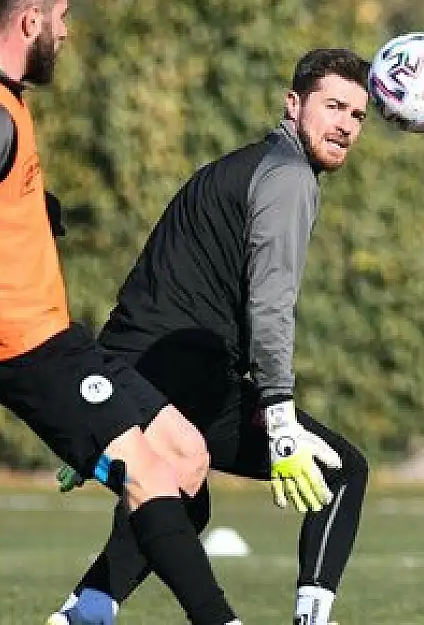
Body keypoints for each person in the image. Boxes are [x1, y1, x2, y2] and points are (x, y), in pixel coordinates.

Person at [0, 0, 243, 624]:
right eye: (60, 17)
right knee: (150, 474)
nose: (66, 31)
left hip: (52, 334)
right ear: (29, 23)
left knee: (185, 457)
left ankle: (82, 615)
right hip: (18, 346)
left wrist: (33, 207)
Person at [49, 48, 372, 625]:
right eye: (333, 106)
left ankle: (83, 613)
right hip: (180, 374)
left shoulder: (240, 167)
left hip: (139, 366)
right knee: (342, 472)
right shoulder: (289, 177)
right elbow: (271, 306)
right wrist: (281, 419)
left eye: (358, 115)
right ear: (293, 104)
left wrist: (104, 396)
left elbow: (149, 282)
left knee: (177, 503)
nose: (346, 124)